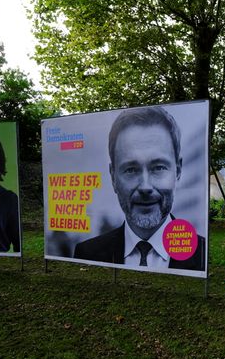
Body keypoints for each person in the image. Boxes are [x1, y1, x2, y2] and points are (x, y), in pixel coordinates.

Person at [73, 106, 205, 271]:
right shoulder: (87, 253)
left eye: (158, 167)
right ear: (113, 176)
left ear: (178, 170)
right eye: (131, 169)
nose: (145, 187)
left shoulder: (201, 254)